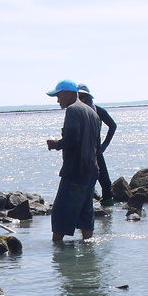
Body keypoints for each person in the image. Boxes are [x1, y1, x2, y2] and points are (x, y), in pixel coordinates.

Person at [44, 79, 102, 242]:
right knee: (85, 211)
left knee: (61, 213)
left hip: (75, 170)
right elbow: (96, 146)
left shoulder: (72, 110)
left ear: (69, 93)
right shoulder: (92, 113)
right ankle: (87, 248)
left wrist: (55, 144)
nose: (57, 100)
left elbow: (71, 139)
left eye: (59, 95)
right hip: (91, 170)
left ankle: (58, 251)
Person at [77, 84, 117, 205]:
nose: (80, 100)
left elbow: (113, 126)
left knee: (105, 182)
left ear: (88, 97)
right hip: (79, 152)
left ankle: (108, 215)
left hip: (96, 150)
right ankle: (82, 205)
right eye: (77, 97)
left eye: (82, 97)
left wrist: (104, 145)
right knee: (81, 181)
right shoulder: (75, 111)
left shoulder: (98, 110)